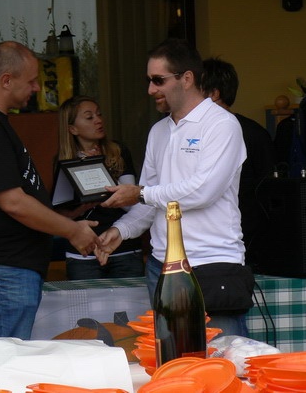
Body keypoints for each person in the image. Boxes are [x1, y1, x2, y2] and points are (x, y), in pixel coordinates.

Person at [98, 38, 254, 337]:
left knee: (223, 357)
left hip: (210, 262)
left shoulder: (221, 124)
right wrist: (121, 230)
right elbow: (152, 200)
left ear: (187, 78)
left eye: (158, 80)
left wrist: (140, 193)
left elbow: (202, 191)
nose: (150, 89)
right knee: (172, 358)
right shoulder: (159, 131)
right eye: (148, 80)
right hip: (162, 266)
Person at [0, 41, 100, 339]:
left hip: (1, 268)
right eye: (31, 81)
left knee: (4, 359)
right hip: (1, 271)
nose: (36, 88)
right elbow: (13, 201)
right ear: (6, 80)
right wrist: (71, 230)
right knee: (4, 363)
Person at [56, 95, 144, 280]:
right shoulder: (64, 161)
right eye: (89, 117)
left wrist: (101, 170)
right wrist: (82, 208)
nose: (98, 120)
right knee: (86, 299)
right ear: (72, 129)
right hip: (83, 252)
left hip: (124, 246)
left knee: (131, 299)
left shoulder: (118, 151)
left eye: (99, 114)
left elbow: (130, 204)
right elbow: (60, 213)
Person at [201, 57, 276, 269]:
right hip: (212, 240)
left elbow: (268, 191)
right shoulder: (257, 132)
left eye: (196, 88)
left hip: (242, 239)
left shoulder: (252, 134)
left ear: (214, 93)